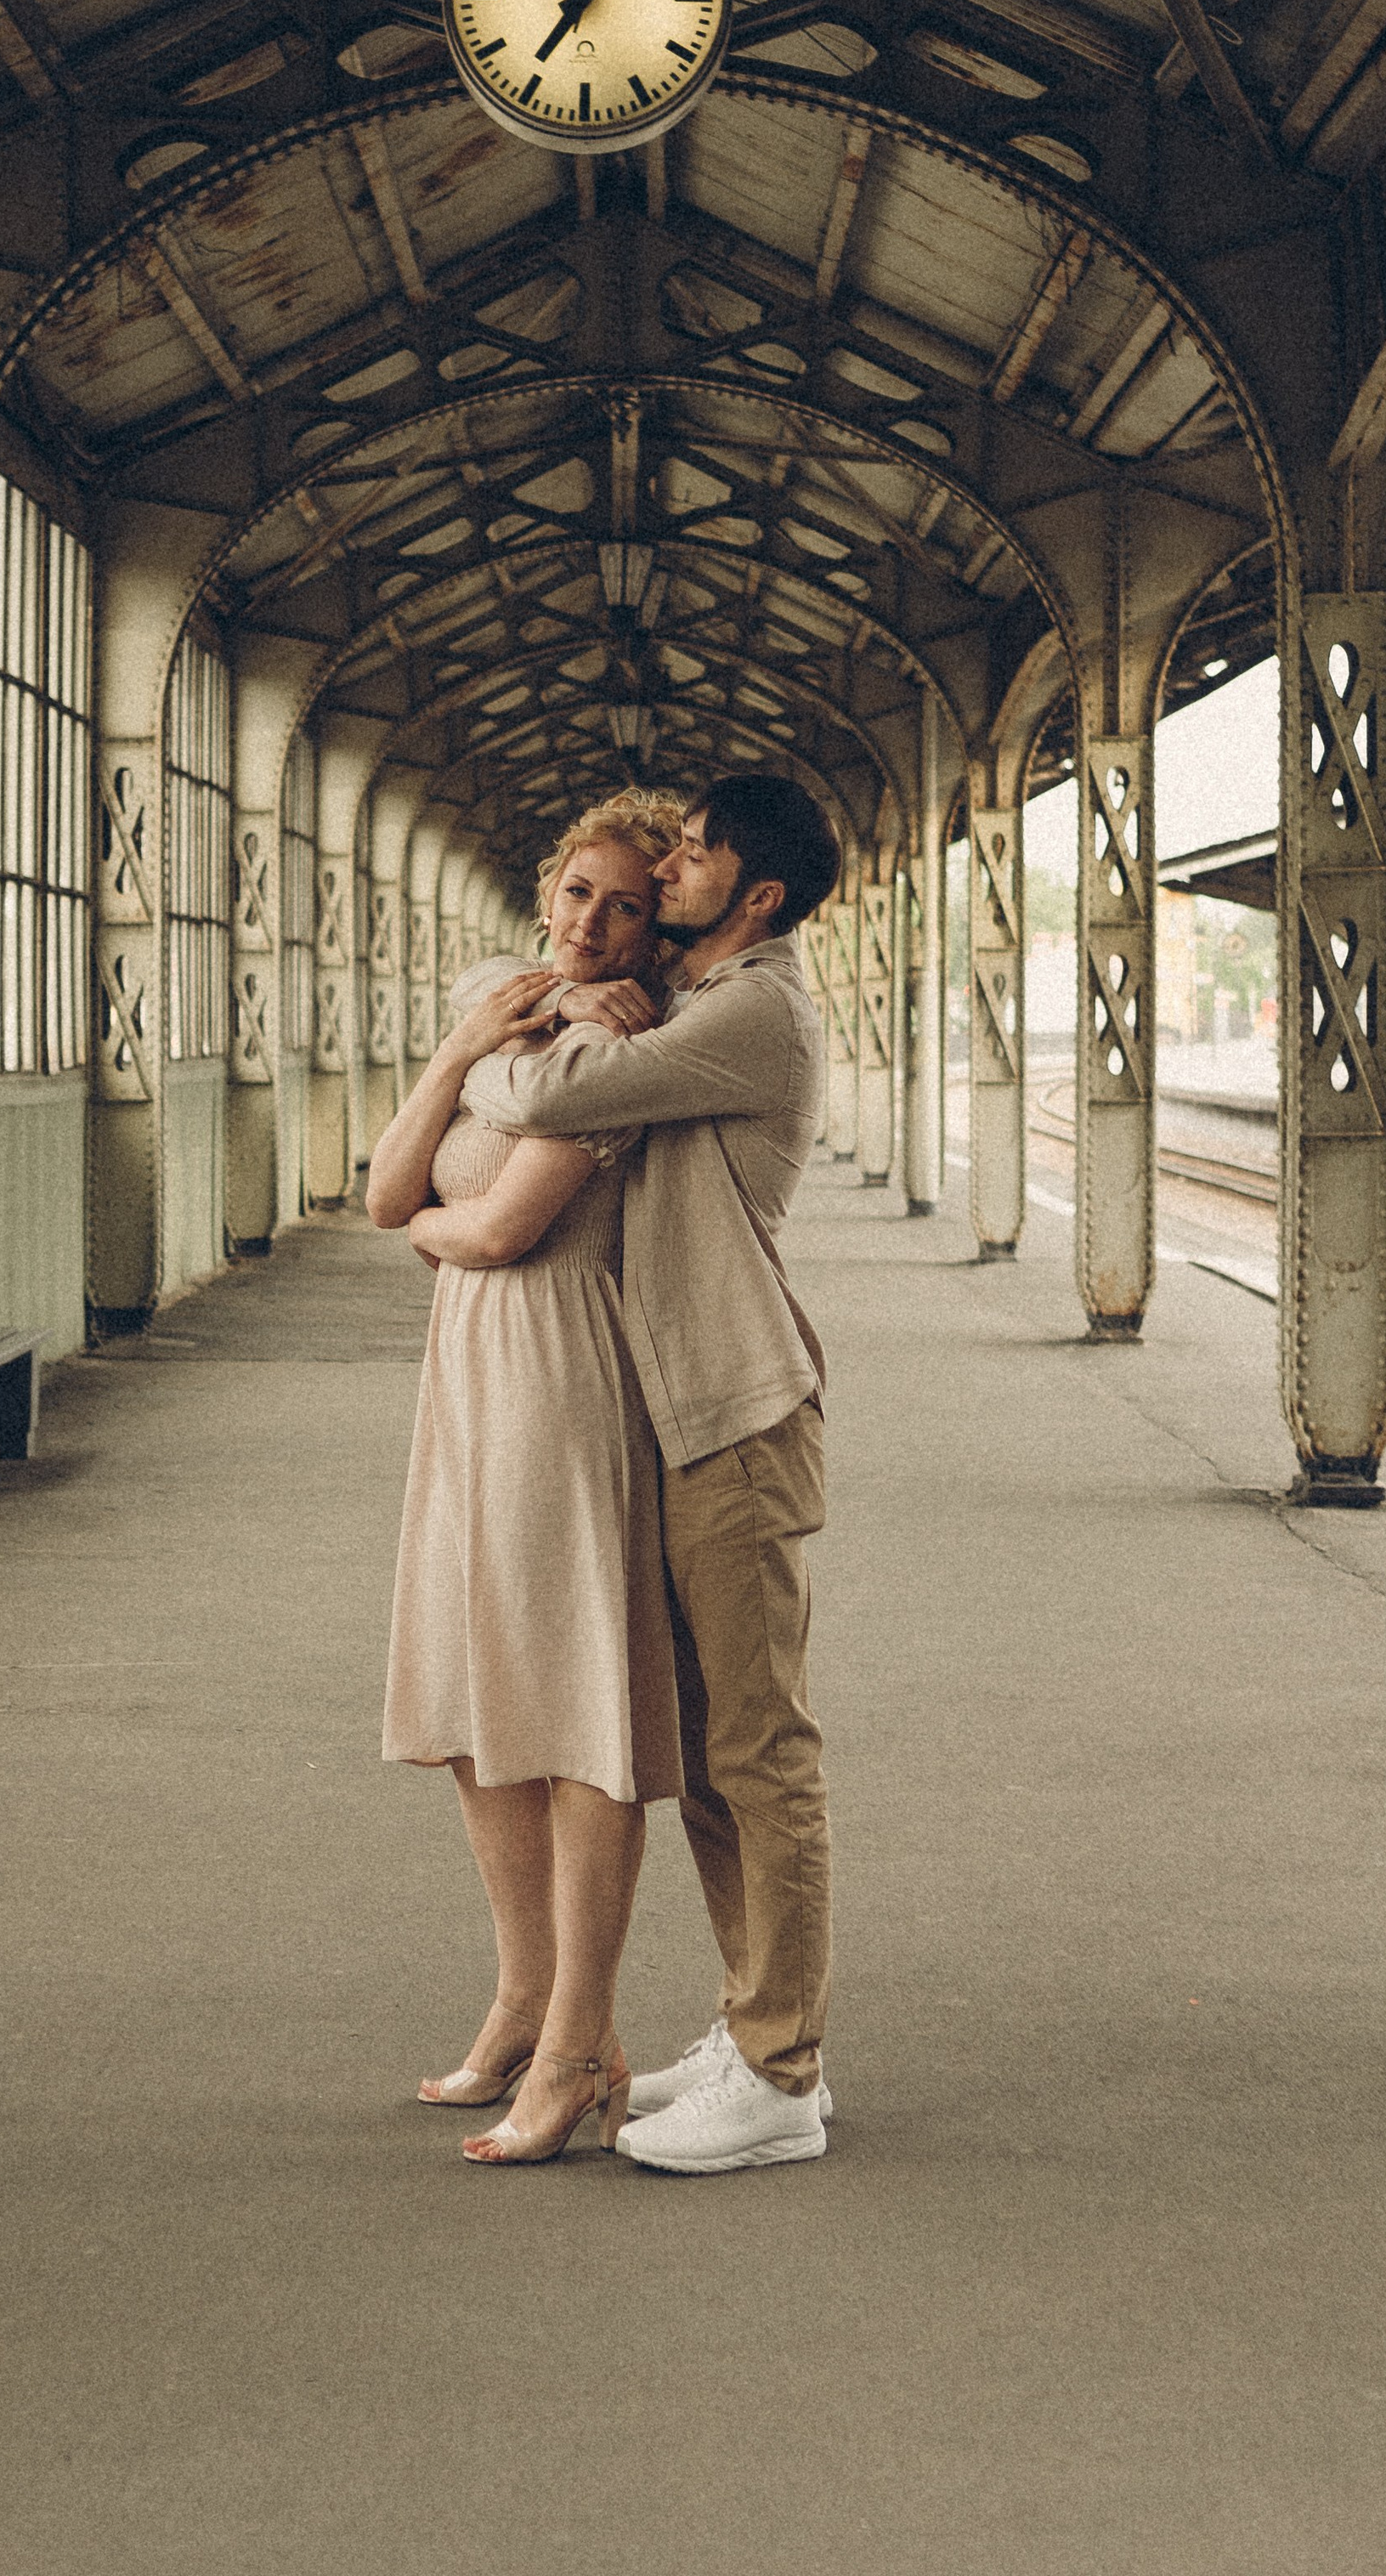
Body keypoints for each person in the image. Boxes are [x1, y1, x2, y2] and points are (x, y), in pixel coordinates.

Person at [455, 775, 841, 2176]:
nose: (666, 870)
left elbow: (556, 1091)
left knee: (760, 1752)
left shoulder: (749, 1011)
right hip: (688, 1413)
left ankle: (784, 2073)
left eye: (691, 857)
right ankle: (754, 2037)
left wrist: (479, 1040)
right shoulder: (700, 994)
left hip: (736, 1416)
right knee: (716, 1766)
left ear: (757, 898)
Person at [367, 788, 687, 2166]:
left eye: (626, 906)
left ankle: (578, 2043)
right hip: (467, 1384)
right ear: (543, 889)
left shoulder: (633, 1043)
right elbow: (384, 1193)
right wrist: (466, 1039)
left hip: (563, 1378)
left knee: (572, 1708)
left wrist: (432, 1219)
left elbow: (492, 1232)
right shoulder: (507, 1013)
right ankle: (518, 2001)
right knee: (473, 1699)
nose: (593, 926)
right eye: (576, 892)